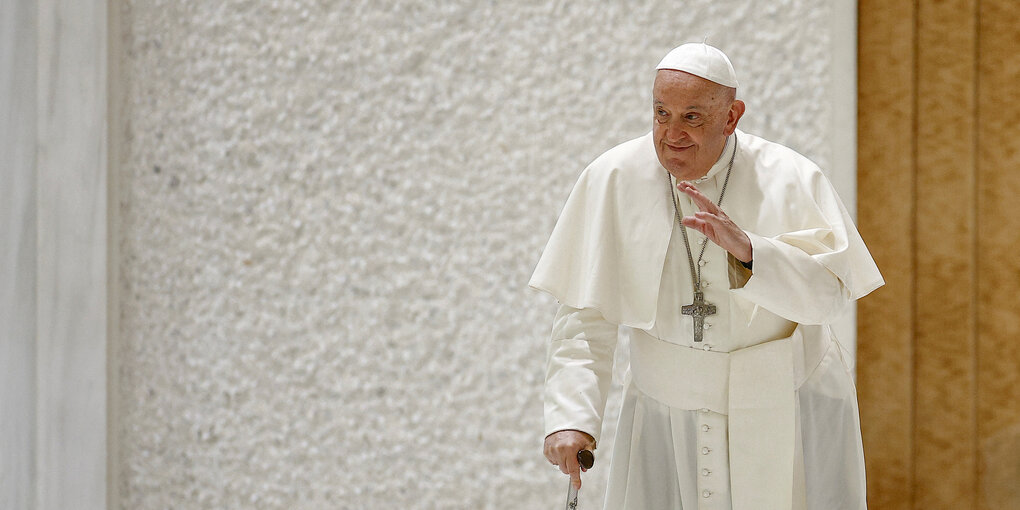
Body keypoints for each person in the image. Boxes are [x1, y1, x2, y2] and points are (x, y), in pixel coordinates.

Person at [531, 43, 883, 510]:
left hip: (786, 406)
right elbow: (583, 314)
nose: (671, 134)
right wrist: (571, 417)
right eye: (661, 114)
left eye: (692, 118)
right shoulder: (612, 178)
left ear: (731, 116)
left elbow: (831, 300)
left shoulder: (791, 177)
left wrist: (752, 252)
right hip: (664, 415)